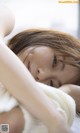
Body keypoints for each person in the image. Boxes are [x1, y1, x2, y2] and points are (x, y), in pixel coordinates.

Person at [0, 5, 79, 133]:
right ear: (48, 40)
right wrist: (54, 119)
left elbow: (5, 127)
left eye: (51, 84)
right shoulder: (6, 16)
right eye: (54, 62)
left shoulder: (11, 101)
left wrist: (65, 93)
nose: (41, 76)